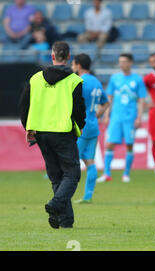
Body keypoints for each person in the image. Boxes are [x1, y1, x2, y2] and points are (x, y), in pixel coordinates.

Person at [19, 41, 86, 228]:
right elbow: (79, 110)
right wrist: (78, 128)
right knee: (72, 174)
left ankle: (65, 220)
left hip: (40, 132)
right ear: (69, 56)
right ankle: (56, 204)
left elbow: (24, 106)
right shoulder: (74, 80)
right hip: (62, 131)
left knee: (57, 176)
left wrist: (28, 128)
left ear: (52, 56)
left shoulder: (35, 79)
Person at [97, 53, 147, 183]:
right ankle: (107, 173)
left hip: (130, 118)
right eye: (120, 61)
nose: (121, 64)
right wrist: (107, 115)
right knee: (109, 144)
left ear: (130, 63)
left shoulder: (137, 79)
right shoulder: (115, 78)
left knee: (130, 145)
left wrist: (139, 117)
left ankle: (126, 174)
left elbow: (141, 99)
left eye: (124, 61)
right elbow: (109, 98)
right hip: (116, 117)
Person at [71, 53, 110, 204]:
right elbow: (106, 103)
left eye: (73, 64)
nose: (72, 67)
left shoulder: (79, 81)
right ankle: (88, 196)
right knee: (89, 161)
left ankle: (64, 194)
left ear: (79, 66)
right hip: (93, 126)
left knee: (72, 161)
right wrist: (95, 114)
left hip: (80, 127)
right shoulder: (96, 81)